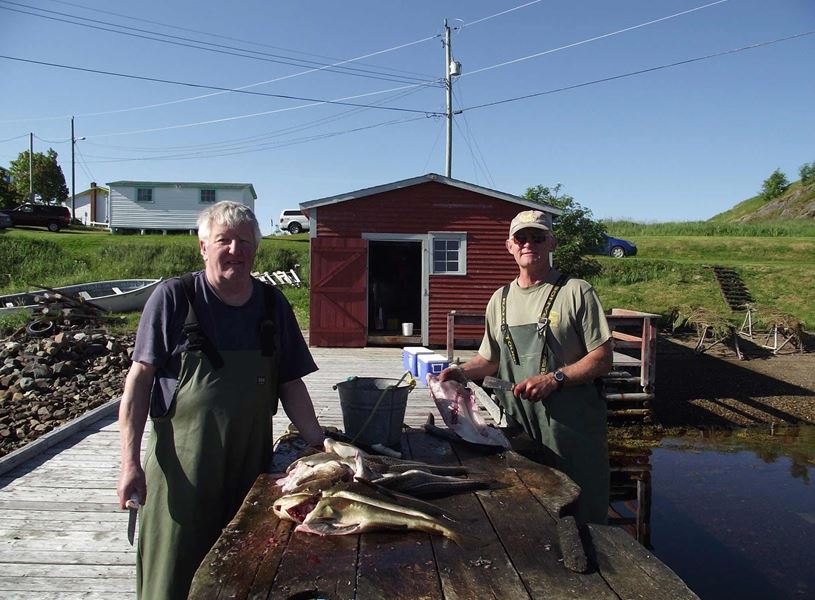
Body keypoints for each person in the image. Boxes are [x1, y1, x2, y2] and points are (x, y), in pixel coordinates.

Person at [117, 201, 324, 599]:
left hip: (250, 475)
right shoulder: (174, 298)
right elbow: (138, 382)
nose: (235, 250)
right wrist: (128, 464)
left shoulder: (271, 304)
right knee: (171, 578)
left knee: (245, 574)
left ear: (255, 250)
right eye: (223, 240)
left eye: (244, 242)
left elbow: (291, 383)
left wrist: (318, 442)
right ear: (202, 246)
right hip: (181, 475)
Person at [439, 209, 612, 524]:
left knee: (586, 514)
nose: (528, 243)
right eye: (521, 238)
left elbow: (602, 357)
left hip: (572, 429)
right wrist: (460, 372)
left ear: (552, 243)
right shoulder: (499, 300)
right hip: (520, 429)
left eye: (537, 237)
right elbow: (490, 360)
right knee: (532, 509)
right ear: (510, 246)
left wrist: (556, 378)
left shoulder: (576, 291)